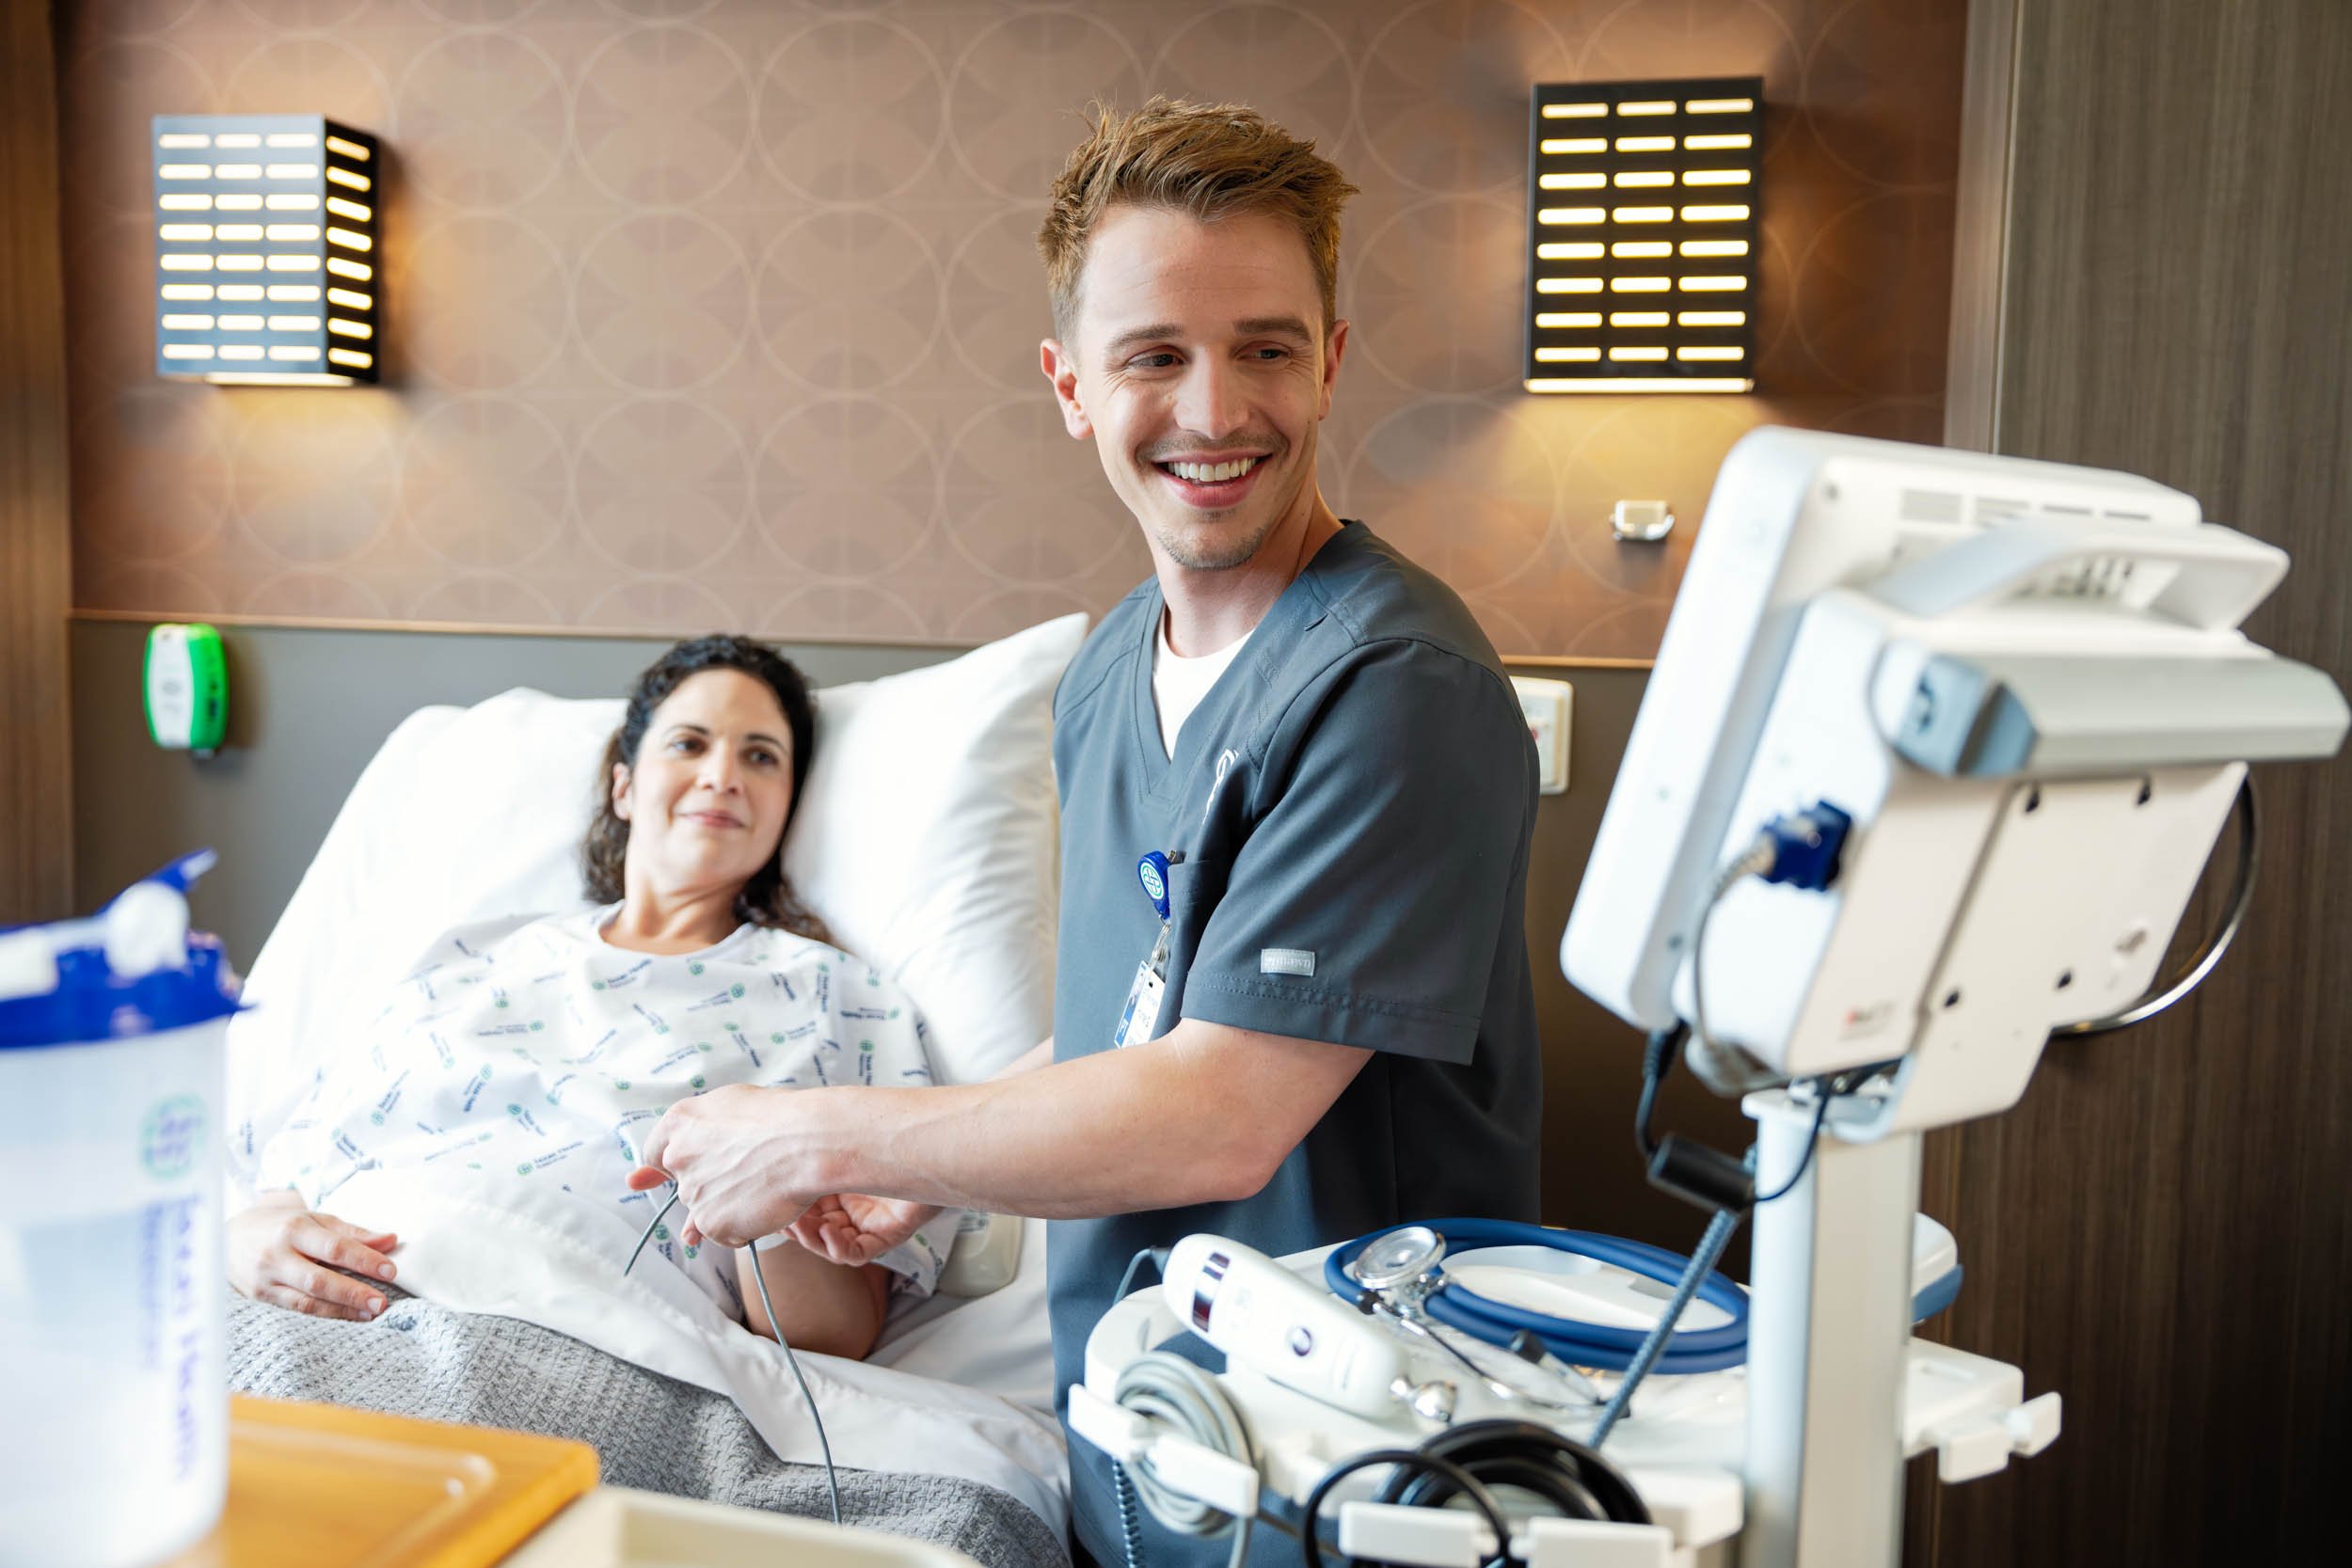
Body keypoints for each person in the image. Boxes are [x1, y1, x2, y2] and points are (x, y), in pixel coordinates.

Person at [633, 100, 1542, 1566]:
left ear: (1332, 360)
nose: (1213, 409)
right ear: (1070, 385)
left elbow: (1221, 1103)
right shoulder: (1111, 673)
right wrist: (919, 1169)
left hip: (1345, 1469)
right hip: (1134, 1432)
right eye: (1154, 357)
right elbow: (1151, 1027)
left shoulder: (1396, 688)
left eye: (1264, 346)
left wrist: (821, 1124)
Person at [227, 634, 949, 1361]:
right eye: (690, 743)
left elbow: (835, 1333)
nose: (723, 774)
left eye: (761, 755)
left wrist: (783, 1185)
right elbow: (283, 1168)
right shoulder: (469, 954)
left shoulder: (837, 999)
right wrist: (252, 1233)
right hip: (333, 1299)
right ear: (624, 786)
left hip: (575, 1333)